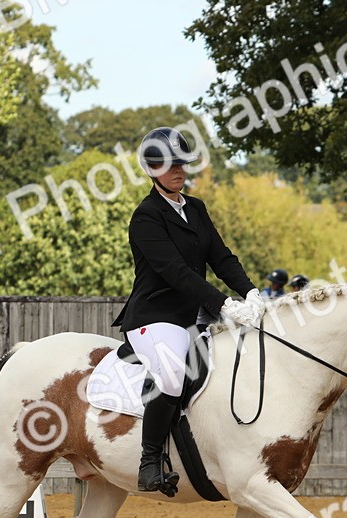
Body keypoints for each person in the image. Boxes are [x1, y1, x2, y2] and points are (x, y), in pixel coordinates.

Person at [112, 127, 264, 496]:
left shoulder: (196, 208)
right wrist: (224, 304)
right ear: (152, 169)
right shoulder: (146, 217)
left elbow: (221, 257)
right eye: (169, 164)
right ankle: (149, 462)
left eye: (182, 162)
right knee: (173, 374)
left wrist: (250, 291)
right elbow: (174, 272)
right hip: (154, 319)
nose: (178, 170)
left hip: (195, 317)